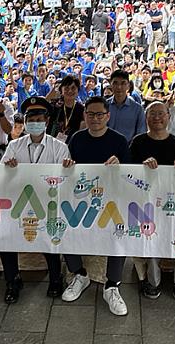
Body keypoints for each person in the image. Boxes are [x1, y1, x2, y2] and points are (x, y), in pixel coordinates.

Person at [0, 96, 74, 303]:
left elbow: (63, 179)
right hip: (19, 203)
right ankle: (12, 280)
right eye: (30, 119)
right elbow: (2, 175)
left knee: (50, 231)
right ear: (25, 122)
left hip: (48, 203)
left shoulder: (59, 147)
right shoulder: (15, 146)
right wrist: (8, 168)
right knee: (6, 237)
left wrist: (67, 169)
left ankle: (55, 277)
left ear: (47, 121)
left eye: (39, 118)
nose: (34, 123)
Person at [62, 96, 130, 316]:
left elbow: (131, 172)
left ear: (107, 116)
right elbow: (66, 167)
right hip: (80, 200)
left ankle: (112, 285)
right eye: (90, 114)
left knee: (119, 232)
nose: (95, 118)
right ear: (85, 115)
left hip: (112, 200)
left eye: (99, 114)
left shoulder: (119, 141)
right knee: (65, 227)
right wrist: (68, 165)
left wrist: (120, 165)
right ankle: (79, 275)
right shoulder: (76, 138)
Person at [130, 102, 175, 300]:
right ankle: (152, 279)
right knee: (150, 233)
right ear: (146, 118)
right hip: (146, 202)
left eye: (161, 113)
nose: (157, 117)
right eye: (152, 114)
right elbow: (128, 174)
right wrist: (142, 166)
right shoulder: (138, 142)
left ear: (168, 117)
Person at [107, 70, 146, 143]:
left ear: (128, 85)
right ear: (110, 84)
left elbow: (140, 134)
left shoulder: (137, 109)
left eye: (123, 83)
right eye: (115, 83)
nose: (119, 87)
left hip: (128, 150)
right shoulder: (104, 106)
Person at [47, 74, 85, 142]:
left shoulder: (81, 109)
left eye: (73, 88)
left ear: (78, 90)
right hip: (51, 144)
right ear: (61, 90)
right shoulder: (54, 105)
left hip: (70, 146)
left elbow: (81, 131)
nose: (70, 91)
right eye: (66, 88)